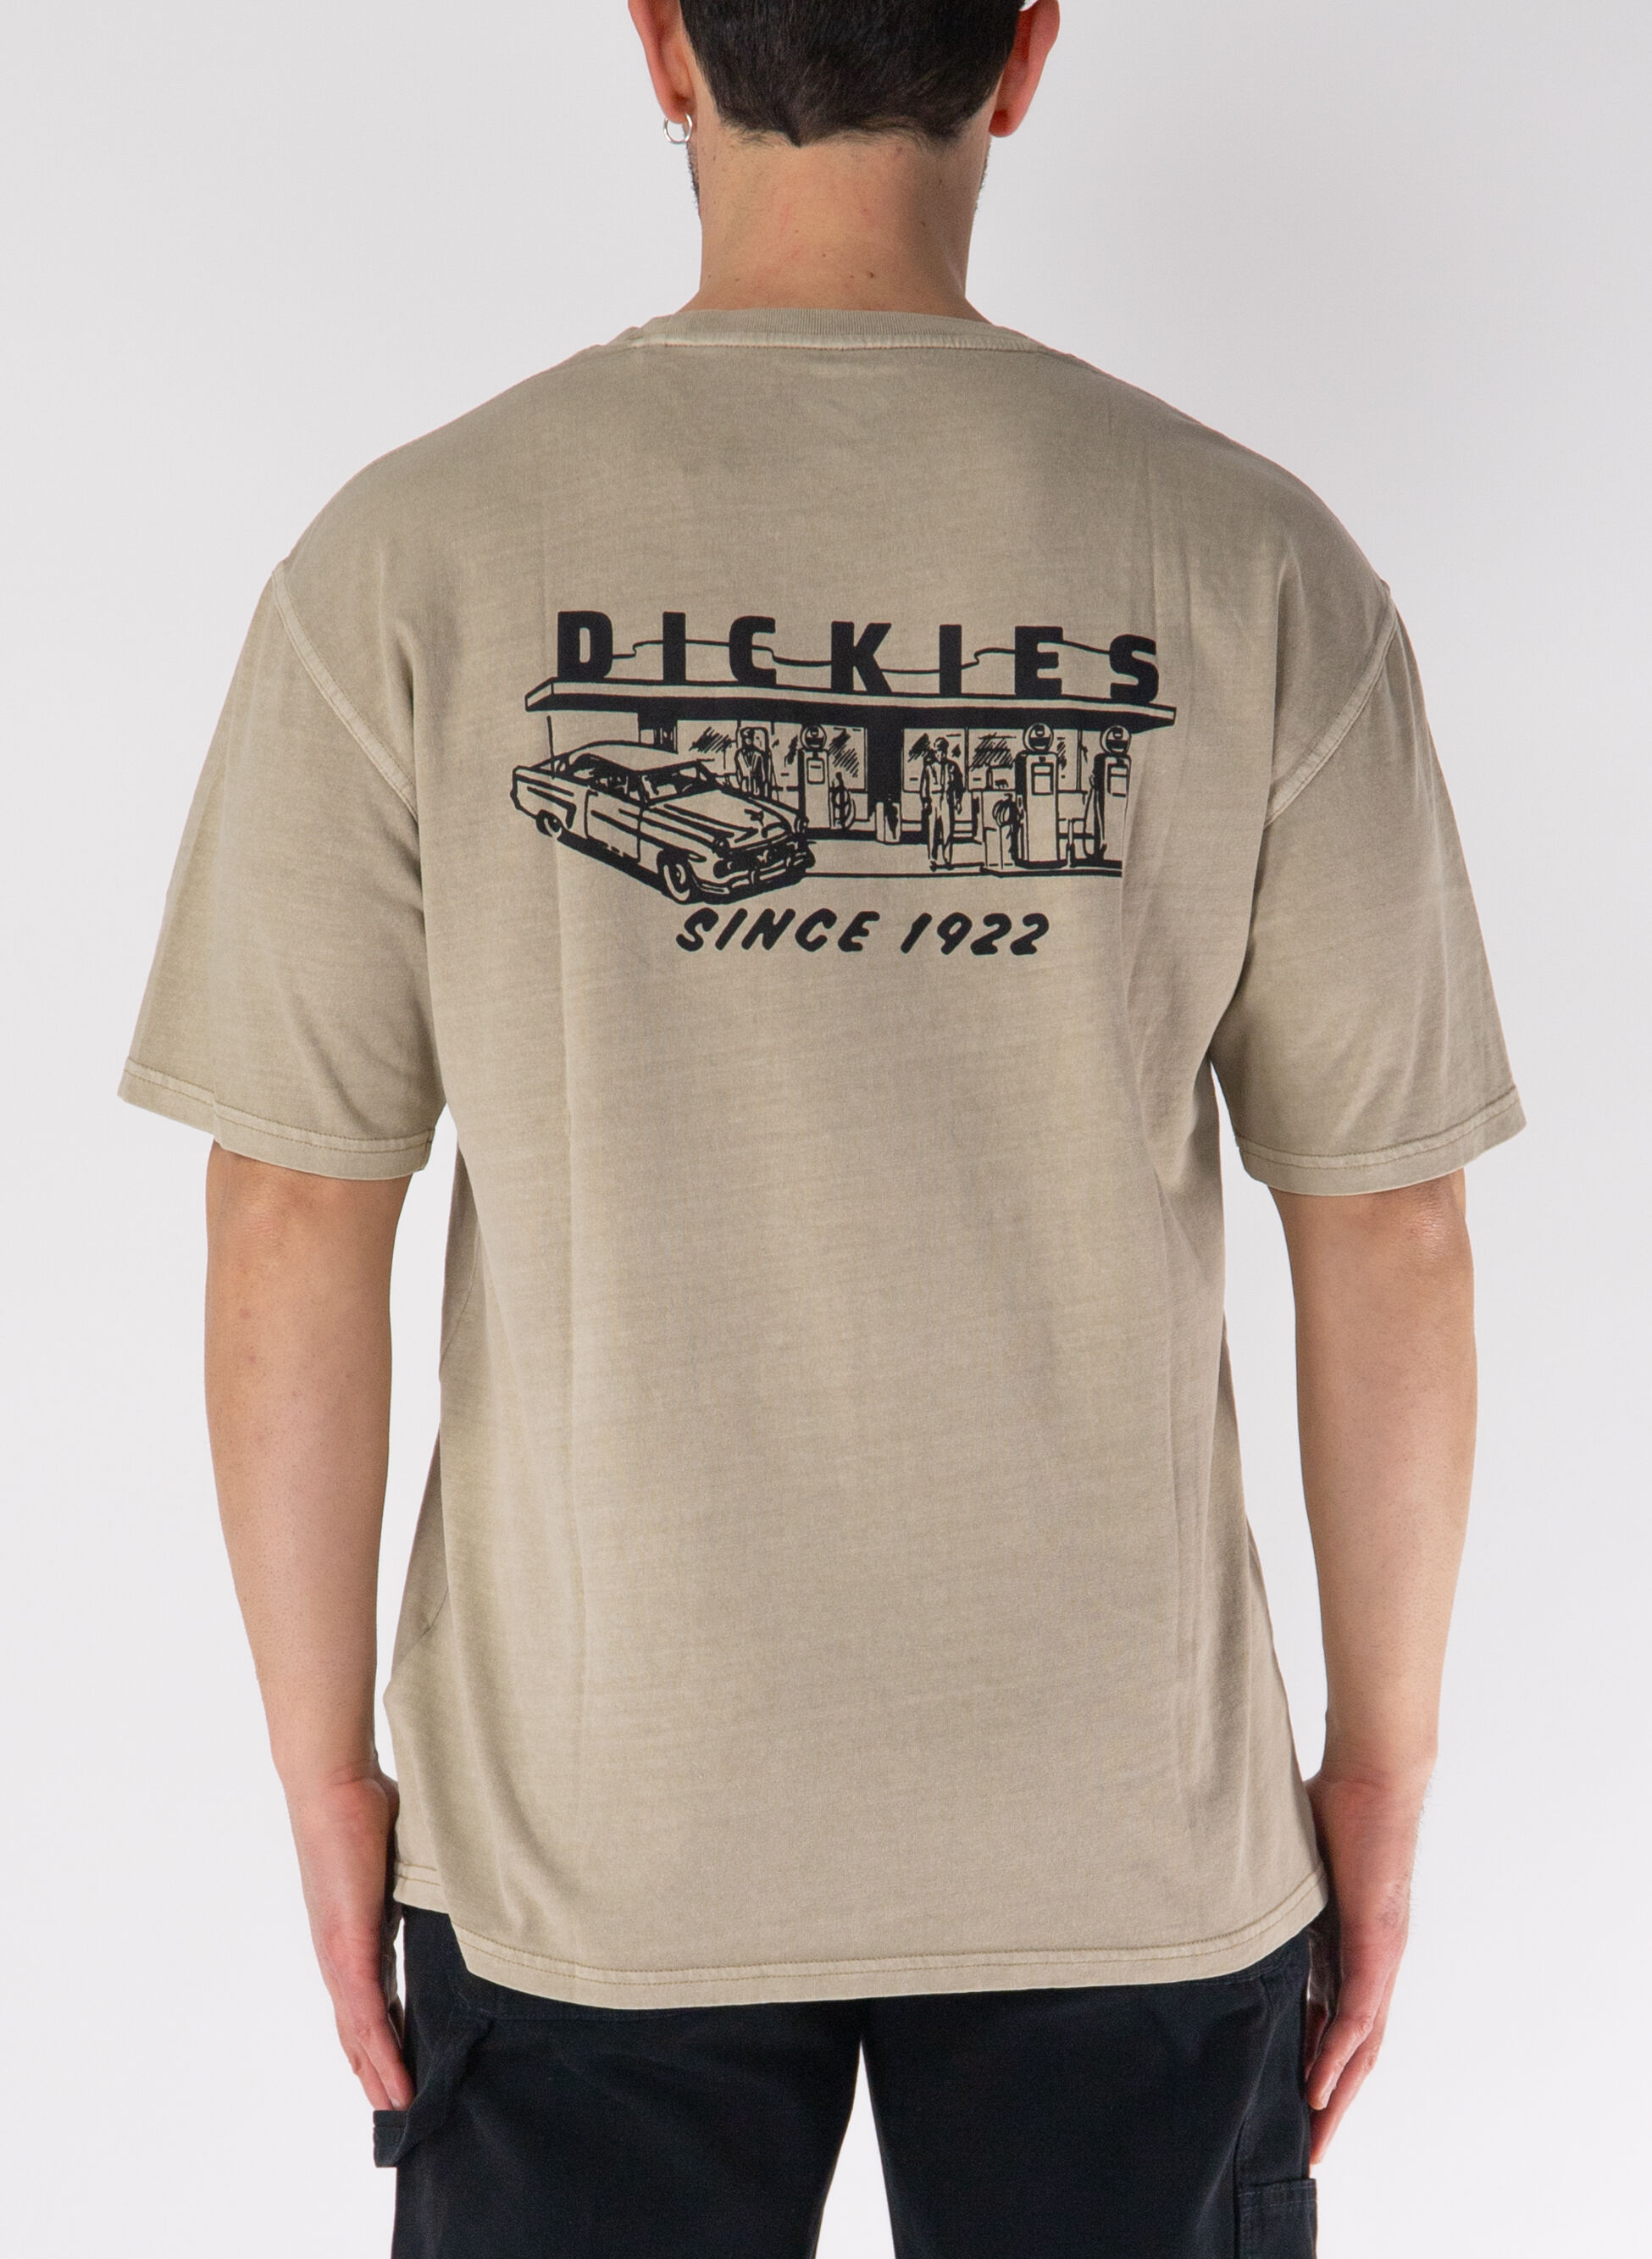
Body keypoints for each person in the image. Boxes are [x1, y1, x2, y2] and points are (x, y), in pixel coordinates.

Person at [119, 3, 1522, 2253]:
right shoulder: (1255, 564)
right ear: (1028, 51)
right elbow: (1393, 1222)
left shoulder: (410, 560)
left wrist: (325, 1772)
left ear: (660, 41)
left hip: (592, 1831)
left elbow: (291, 1204)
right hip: (1118, 1833)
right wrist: (1382, 1764)